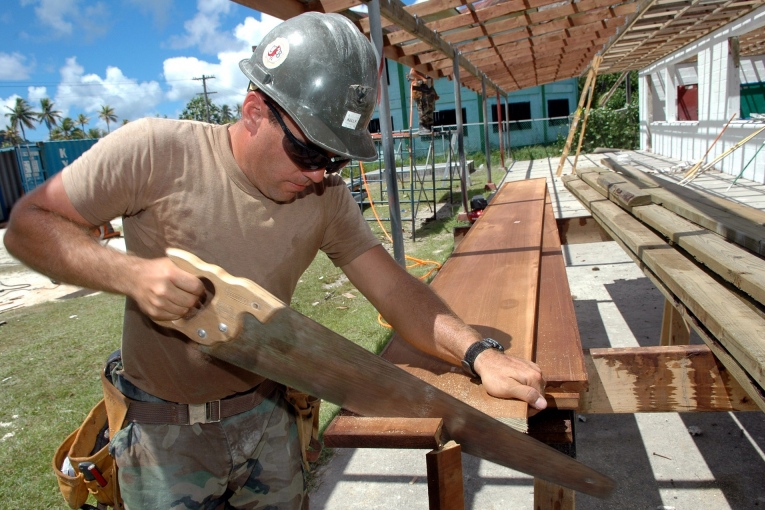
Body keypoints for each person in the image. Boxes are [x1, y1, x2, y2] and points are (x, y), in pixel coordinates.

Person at [4, 12, 545, 510]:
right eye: (311, 152)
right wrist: (131, 274)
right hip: (163, 432)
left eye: (334, 159)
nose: (319, 174)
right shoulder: (154, 152)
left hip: (268, 416)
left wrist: (478, 353)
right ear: (254, 111)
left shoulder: (325, 198)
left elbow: (396, 292)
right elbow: (29, 225)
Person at [408, 67, 439, 135]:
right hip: (420, 89)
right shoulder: (419, 63)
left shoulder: (429, 65)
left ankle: (430, 126)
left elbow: (431, 79)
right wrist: (422, 78)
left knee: (430, 107)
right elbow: (412, 72)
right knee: (423, 108)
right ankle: (423, 126)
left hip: (428, 89)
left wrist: (434, 92)